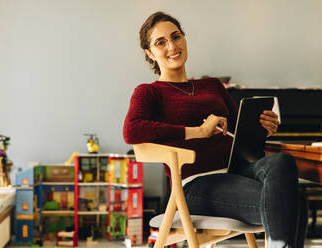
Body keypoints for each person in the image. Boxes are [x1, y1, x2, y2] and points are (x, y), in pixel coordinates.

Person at [123, 11, 307, 248]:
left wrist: (262, 128)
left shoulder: (212, 85)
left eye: (176, 37)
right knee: (295, 203)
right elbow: (132, 130)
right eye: (161, 42)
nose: (172, 46)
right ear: (150, 53)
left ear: (184, 39)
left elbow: (237, 131)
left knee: (282, 162)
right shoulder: (149, 92)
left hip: (239, 170)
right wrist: (197, 132)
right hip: (197, 184)